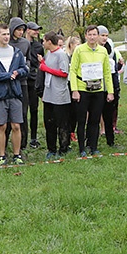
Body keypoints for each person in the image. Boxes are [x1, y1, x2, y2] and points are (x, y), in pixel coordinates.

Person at [0, 24, 29, 166]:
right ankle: (2, 156)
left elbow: (25, 69)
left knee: (16, 126)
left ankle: (17, 154)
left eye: (8, 34)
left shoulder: (17, 52)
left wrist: (18, 73)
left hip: (15, 93)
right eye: (3, 34)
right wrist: (6, 76)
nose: (6, 37)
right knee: (1, 126)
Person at [69, 25, 114, 158]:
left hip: (98, 89)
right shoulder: (79, 50)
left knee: (94, 120)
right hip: (83, 89)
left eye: (95, 34)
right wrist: (75, 90)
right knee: (82, 120)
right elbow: (72, 70)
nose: (92, 37)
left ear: (98, 36)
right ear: (86, 36)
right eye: (90, 34)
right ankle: (82, 147)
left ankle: (93, 146)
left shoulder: (103, 51)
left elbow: (107, 72)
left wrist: (110, 91)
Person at [39, 31, 72, 159]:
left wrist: (46, 68)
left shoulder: (61, 55)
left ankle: (63, 147)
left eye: (44, 41)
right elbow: (45, 67)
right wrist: (42, 63)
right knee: (49, 123)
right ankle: (51, 148)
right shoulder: (48, 54)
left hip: (60, 95)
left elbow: (64, 73)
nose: (42, 43)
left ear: (49, 41)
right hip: (49, 93)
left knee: (62, 123)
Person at [7, 17, 33, 151]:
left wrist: (25, 69)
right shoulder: (5, 42)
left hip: (22, 82)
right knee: (6, 114)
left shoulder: (25, 43)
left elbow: (28, 60)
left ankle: (22, 143)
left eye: (22, 30)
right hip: (6, 82)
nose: (21, 32)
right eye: (18, 30)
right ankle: (5, 141)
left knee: (22, 113)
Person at [98, 25, 123, 146]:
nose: (104, 38)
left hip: (110, 86)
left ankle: (110, 141)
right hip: (96, 86)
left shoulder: (110, 50)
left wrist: (114, 88)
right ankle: (91, 142)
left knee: (109, 115)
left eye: (106, 36)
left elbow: (114, 70)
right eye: (102, 35)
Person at [25, 22, 44, 149]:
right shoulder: (19, 44)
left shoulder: (38, 46)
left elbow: (41, 64)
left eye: (38, 30)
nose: (36, 32)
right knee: (22, 111)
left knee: (34, 110)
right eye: (34, 30)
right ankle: (22, 138)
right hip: (22, 81)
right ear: (27, 30)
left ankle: (33, 138)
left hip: (34, 81)